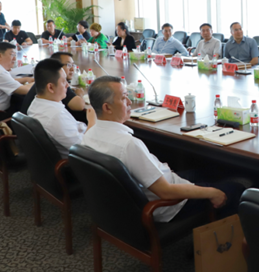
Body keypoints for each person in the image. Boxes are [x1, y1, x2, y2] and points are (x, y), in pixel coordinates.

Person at [80, 76, 243, 222]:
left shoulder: (89, 134)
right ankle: (216, 240)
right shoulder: (128, 144)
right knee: (236, 189)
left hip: (131, 201)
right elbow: (166, 192)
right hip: (168, 205)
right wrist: (213, 193)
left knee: (207, 171)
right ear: (107, 108)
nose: (129, 102)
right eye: (123, 98)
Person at [27, 59, 96, 157]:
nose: (67, 85)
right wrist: (92, 122)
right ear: (50, 87)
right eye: (63, 82)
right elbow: (85, 148)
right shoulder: (56, 116)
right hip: (77, 159)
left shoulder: (37, 102)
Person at [20, 52, 87, 121]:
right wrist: (80, 94)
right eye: (68, 65)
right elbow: (79, 105)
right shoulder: (56, 86)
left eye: (73, 65)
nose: (72, 69)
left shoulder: (43, 81)